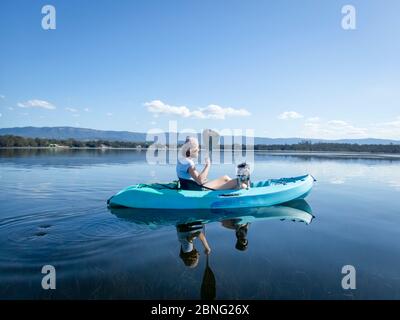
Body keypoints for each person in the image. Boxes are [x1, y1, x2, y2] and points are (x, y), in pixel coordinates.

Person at [176, 136, 246, 190]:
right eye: (197, 147)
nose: (199, 149)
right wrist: (208, 165)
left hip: (196, 186)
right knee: (239, 182)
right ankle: (239, 191)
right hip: (201, 189)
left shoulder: (182, 159)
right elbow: (200, 181)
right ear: (191, 150)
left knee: (226, 178)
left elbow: (197, 178)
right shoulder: (188, 163)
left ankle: (233, 188)